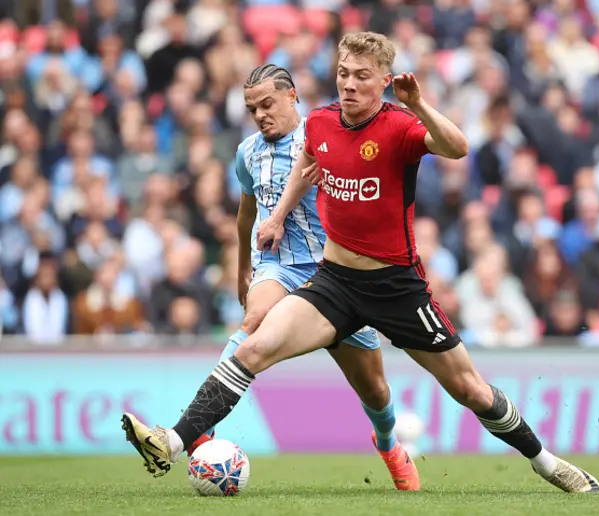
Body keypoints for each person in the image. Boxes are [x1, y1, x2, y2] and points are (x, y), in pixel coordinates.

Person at [122, 32, 599, 494]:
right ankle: (173, 441)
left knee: (469, 391)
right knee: (251, 346)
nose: (349, 84)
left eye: (361, 76)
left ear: (384, 81)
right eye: (343, 74)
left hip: (396, 288)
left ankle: (548, 463)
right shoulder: (322, 123)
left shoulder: (399, 126)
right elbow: (304, 167)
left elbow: (457, 147)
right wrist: (278, 217)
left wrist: (417, 103)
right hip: (333, 283)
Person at [124, 63, 420, 490]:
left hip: (336, 273)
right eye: (252, 109)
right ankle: (195, 431)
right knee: (254, 320)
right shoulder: (247, 153)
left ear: (292, 97)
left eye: (268, 104)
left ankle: (389, 445)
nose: (261, 114)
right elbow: (247, 213)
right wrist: (244, 269)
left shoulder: (328, 138)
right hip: (278, 264)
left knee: (375, 391)